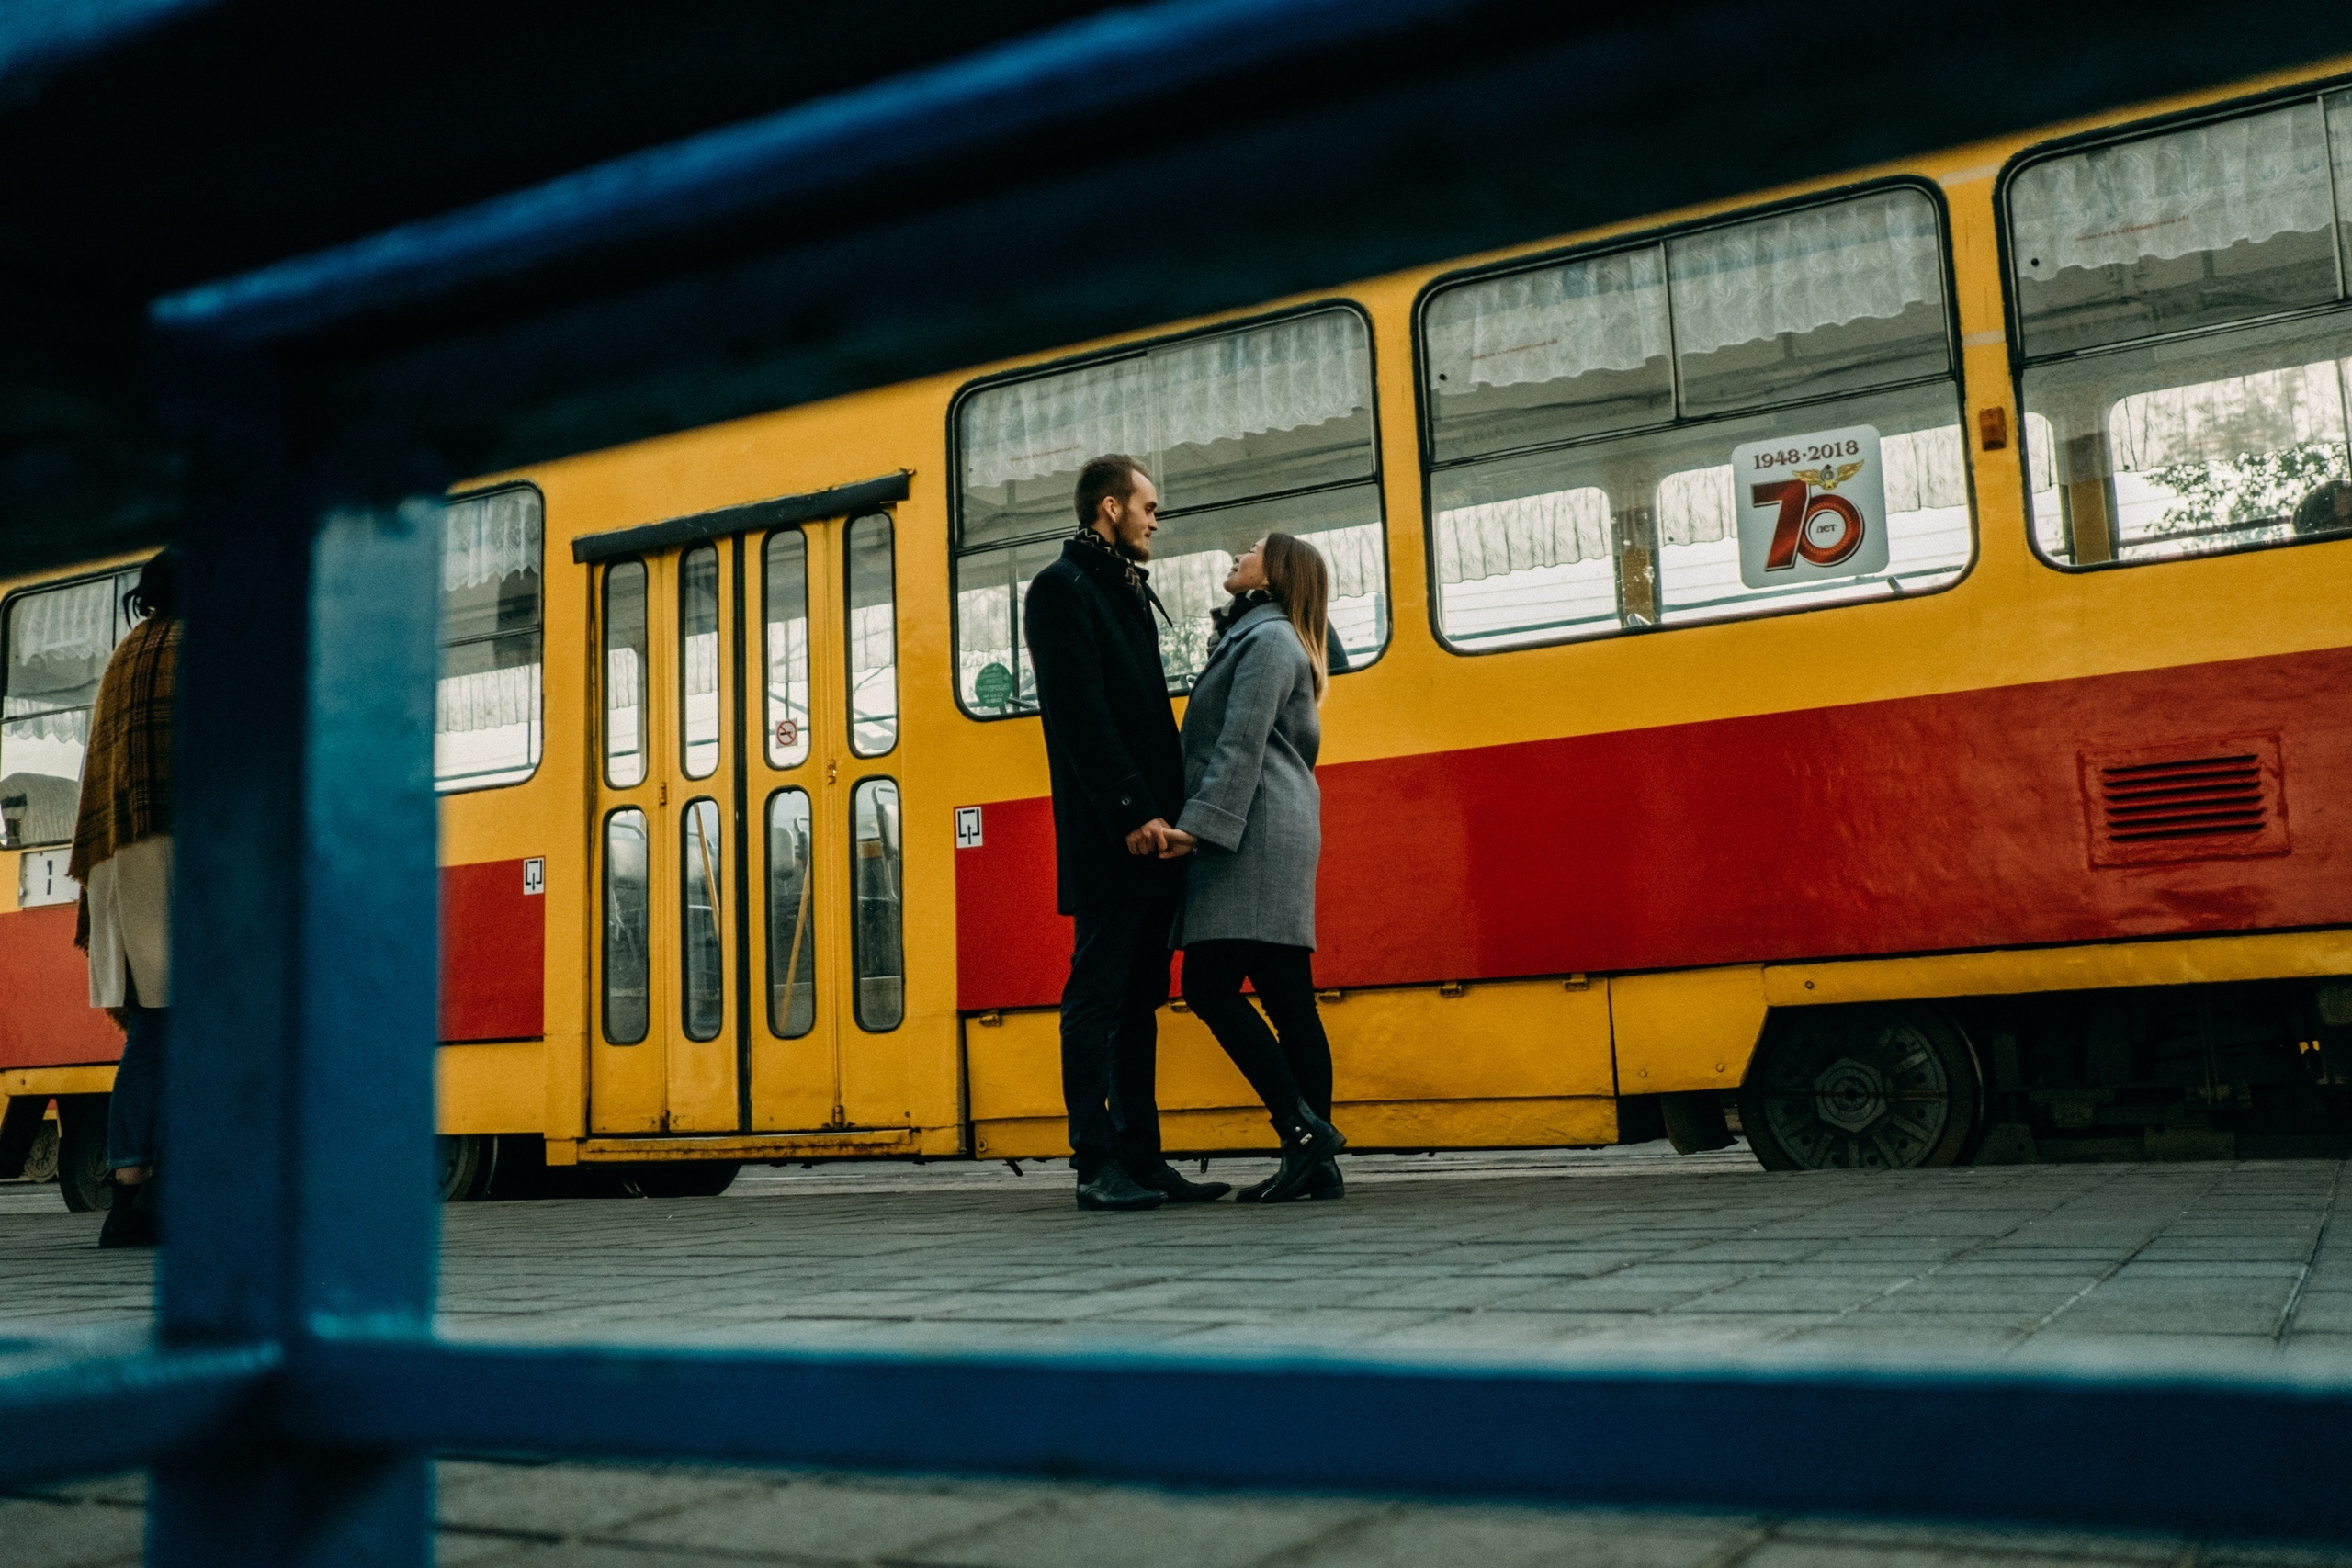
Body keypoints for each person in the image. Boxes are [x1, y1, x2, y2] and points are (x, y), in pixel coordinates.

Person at [1023, 456, 1232, 1212]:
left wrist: (1168, 817)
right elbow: (1080, 717)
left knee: (1140, 998)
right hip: (1113, 834)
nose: (1155, 520)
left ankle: (1143, 1158)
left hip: (1151, 832)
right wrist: (1132, 812)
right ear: (1110, 508)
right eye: (1149, 507)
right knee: (1098, 994)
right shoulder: (1060, 588)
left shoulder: (1121, 586)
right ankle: (1094, 1161)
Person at [1159, 535, 1346, 1204]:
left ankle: (1302, 1131)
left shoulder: (1266, 640)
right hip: (1268, 823)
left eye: (1254, 549)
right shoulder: (1270, 635)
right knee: (1288, 997)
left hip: (1251, 831)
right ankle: (1315, 1164)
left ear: (1276, 573)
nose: (1238, 554)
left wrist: (1197, 827)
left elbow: (1239, 744)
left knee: (1208, 985)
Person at [70, 549, 179, 1249]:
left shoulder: (123, 656)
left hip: (119, 862)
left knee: (150, 1032)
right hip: (178, 854)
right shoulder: (200, 648)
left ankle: (128, 1189)